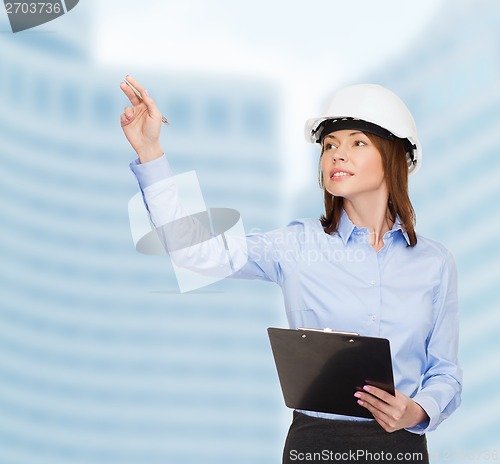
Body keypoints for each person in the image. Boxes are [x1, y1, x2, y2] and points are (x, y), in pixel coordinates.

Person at [120, 76, 462, 463]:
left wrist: (417, 411)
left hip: (400, 448)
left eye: (357, 143)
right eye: (329, 145)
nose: (337, 154)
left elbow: (446, 373)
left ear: (395, 156)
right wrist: (151, 152)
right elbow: (192, 250)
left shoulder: (434, 263)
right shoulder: (297, 244)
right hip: (315, 445)